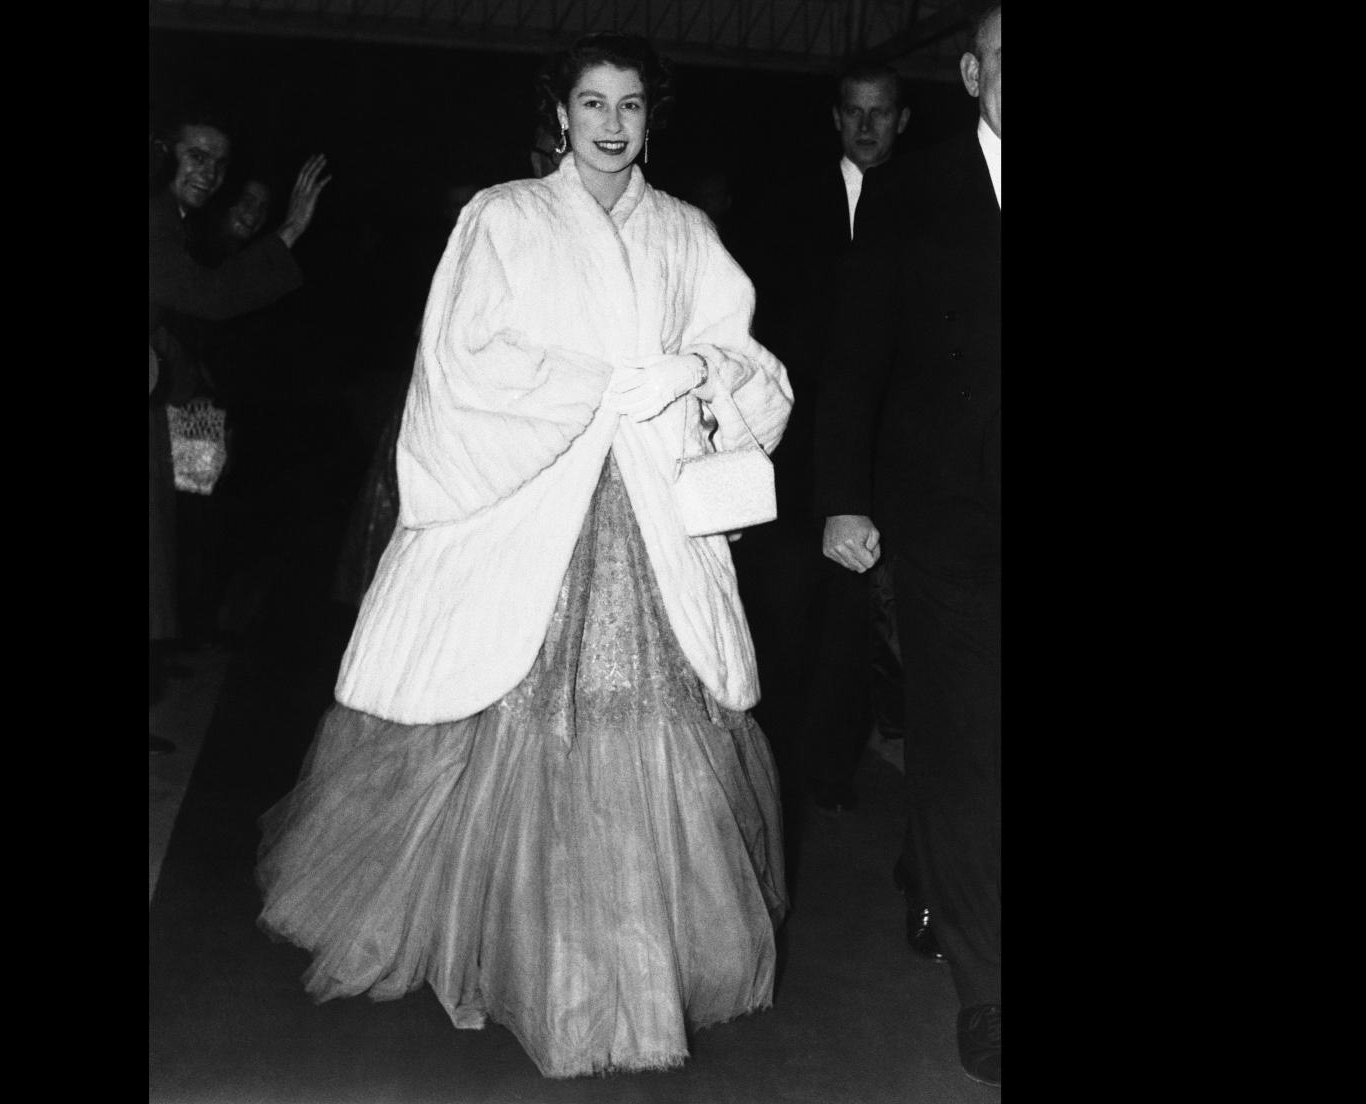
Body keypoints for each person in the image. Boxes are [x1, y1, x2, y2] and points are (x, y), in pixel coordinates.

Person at [254, 33, 794, 1079]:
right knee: (494, 724)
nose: (609, 123)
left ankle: (625, 970)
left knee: (643, 734)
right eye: (591, 102)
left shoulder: (685, 232)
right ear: (559, 113)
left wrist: (688, 369)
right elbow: (458, 363)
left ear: (650, 120)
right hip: (522, 508)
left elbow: (750, 365)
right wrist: (588, 386)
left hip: (644, 524)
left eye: (630, 106)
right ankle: (488, 949)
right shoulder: (500, 216)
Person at [815, 2, 1001, 1087]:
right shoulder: (910, 191)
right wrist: (842, 497)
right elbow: (855, 359)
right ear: (971, 75)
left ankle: (931, 866)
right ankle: (988, 989)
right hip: (944, 522)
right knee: (965, 737)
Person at [741, 62, 912, 815]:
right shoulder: (785, 205)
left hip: (882, 455)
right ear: (835, 120)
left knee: (851, 621)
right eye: (854, 112)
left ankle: (829, 767)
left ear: (901, 120)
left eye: (880, 113)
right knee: (783, 612)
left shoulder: (925, 203)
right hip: (790, 451)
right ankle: (771, 763)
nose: (867, 126)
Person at [149, 107, 327, 747]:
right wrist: (290, 230)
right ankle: (181, 635)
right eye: (198, 157)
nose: (216, 179)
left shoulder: (188, 230)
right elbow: (209, 305)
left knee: (191, 524)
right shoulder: (184, 236)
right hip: (186, 408)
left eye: (223, 168)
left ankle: (186, 633)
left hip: (201, 409)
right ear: (166, 152)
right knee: (178, 529)